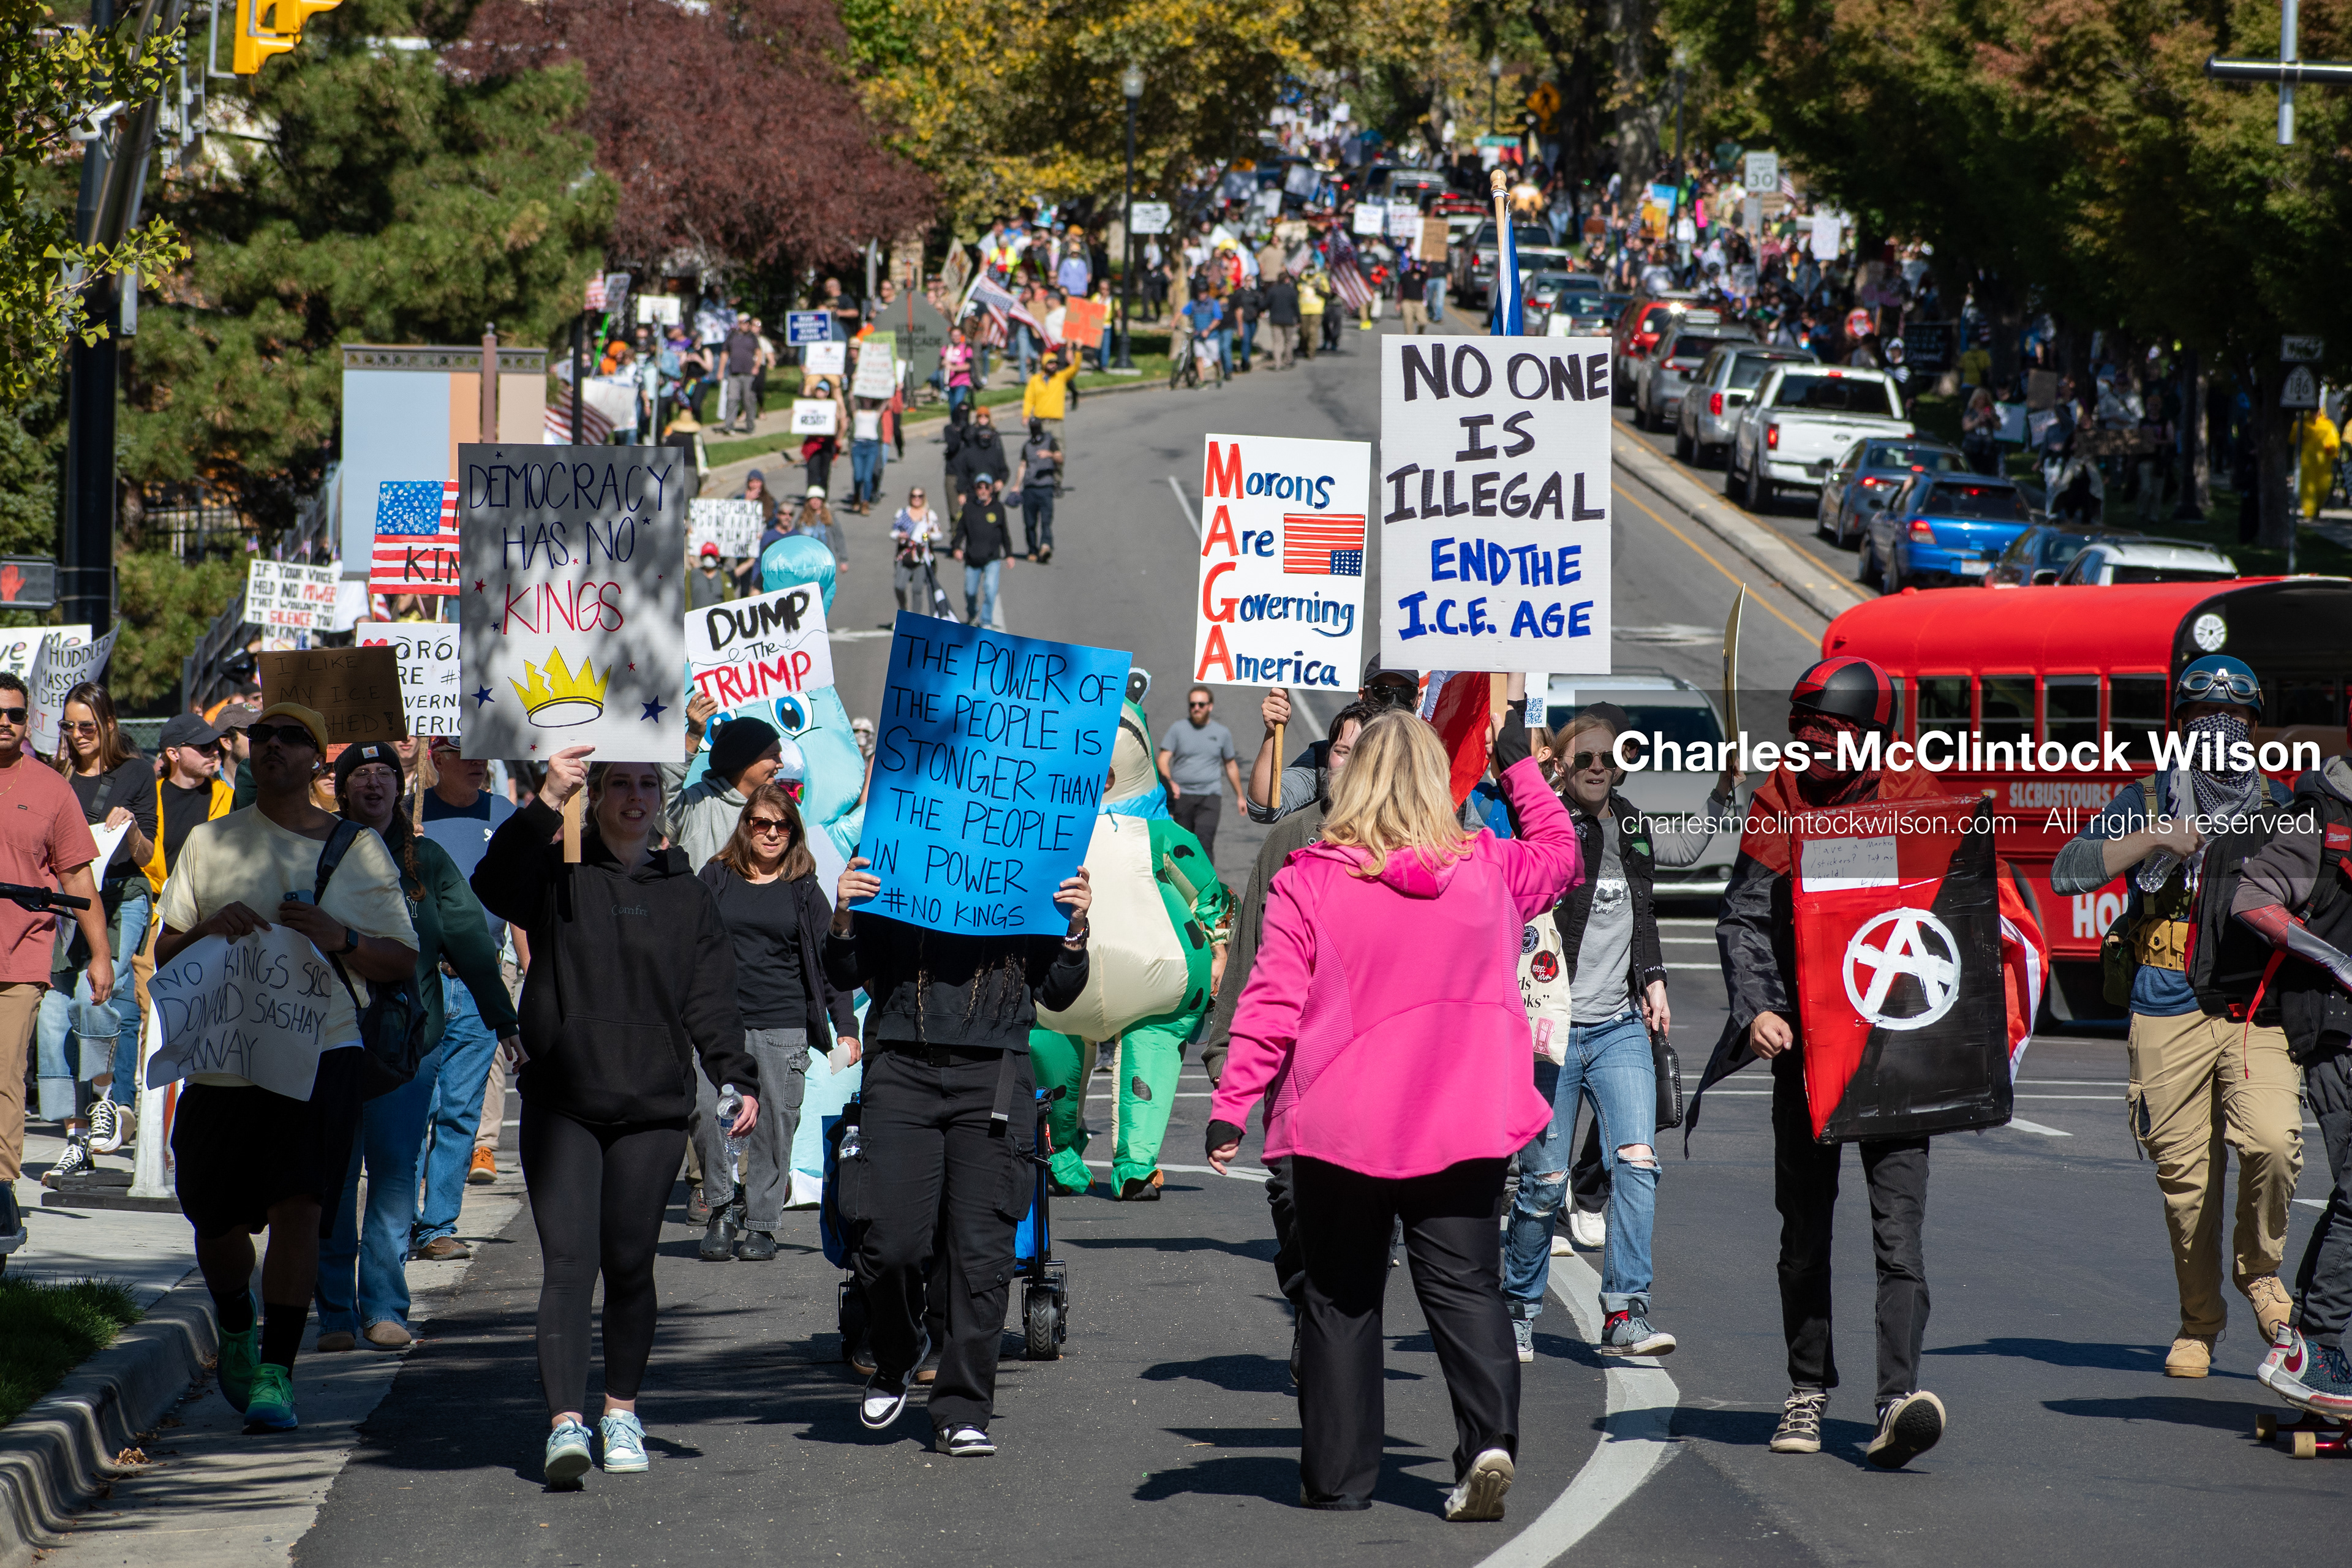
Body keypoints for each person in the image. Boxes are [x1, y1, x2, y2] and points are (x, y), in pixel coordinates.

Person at [1206, 708, 1576, 1518]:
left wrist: (1233, 1106)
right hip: (1463, 1120)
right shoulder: (1487, 867)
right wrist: (1518, 766)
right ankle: (1488, 1439)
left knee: (1341, 1300)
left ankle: (1338, 1477)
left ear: (1356, 779)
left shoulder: (1311, 878)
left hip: (1344, 1125)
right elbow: (1562, 855)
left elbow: (1270, 1003)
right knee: (1467, 1288)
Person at [471, 745, 758, 1485]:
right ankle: (565, 1422)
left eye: (646, 784)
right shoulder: (561, 871)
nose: (634, 796)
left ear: (662, 796)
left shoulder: (686, 891)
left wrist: (735, 1075)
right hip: (565, 1100)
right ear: (595, 795)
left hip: (652, 1108)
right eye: (618, 783)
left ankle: (621, 1411)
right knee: (570, 1262)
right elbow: (494, 883)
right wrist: (544, 797)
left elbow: (710, 997)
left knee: (630, 1264)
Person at [1691, 657, 1951, 1469]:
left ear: (1874, 738)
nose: (1811, 746)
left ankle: (1895, 1400)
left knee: (1899, 1241)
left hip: (1900, 1054)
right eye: (1802, 730)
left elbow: (1964, 912)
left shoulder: (1920, 803)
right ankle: (1807, 1389)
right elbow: (1740, 918)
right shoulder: (1781, 799)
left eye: (1829, 732)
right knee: (1803, 1236)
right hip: (1806, 1053)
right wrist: (1758, 1008)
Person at [154, 701, 417, 1433]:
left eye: (292, 736)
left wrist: (342, 935)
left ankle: (277, 1371)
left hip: (320, 1052)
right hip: (224, 1057)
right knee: (211, 1214)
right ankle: (237, 1319)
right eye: (263, 735)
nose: (273, 745)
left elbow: (401, 957)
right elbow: (165, 953)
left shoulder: (356, 848)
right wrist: (209, 926)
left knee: (299, 1207)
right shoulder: (210, 842)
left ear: (316, 762)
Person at [2051, 654, 2299, 1378]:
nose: (2220, 733)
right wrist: (2155, 838)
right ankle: (2200, 1323)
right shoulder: (2146, 796)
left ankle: (2259, 1271)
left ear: (2255, 729)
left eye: (2236, 721)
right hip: (2165, 998)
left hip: (2254, 1003)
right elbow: (2070, 869)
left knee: (2273, 1141)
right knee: (2186, 1179)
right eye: (2202, 721)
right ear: (2179, 727)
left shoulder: (2281, 805)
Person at [824, 851, 1093, 1458]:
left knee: (982, 1253)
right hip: (901, 1068)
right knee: (888, 1240)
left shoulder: (1031, 863)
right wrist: (843, 913)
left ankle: (964, 1409)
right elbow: (844, 971)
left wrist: (1074, 930)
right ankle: (898, 1353)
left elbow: (1057, 992)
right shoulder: (900, 852)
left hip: (993, 1078)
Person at [1500, 705, 1740, 1364]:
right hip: (1551, 1030)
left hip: (1618, 1027)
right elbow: (1504, 771)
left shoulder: (1633, 822)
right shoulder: (1544, 826)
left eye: (1608, 758)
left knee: (1637, 1162)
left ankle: (1626, 1313)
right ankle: (1518, 1309)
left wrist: (1723, 792)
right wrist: (1518, 721)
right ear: (1562, 766)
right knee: (1544, 1184)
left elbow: (1663, 883)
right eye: (1585, 759)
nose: (1598, 768)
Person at [312, 742, 518, 1351]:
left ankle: (383, 1306)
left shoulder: (424, 859)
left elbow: (471, 941)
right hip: (328, 1043)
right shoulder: (317, 856)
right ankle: (334, 1314)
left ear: (402, 786)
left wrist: (504, 1020)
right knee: (336, 1179)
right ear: (342, 790)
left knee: (395, 1177)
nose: (374, 784)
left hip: (408, 1049)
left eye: (385, 774)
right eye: (361, 776)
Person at [2235, 725, 2352, 1409]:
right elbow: (2251, 898)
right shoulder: (2323, 814)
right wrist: (2338, 962)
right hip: (2337, 1029)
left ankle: (2310, 1347)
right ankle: (2314, 1350)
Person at [692, 785, 858, 1261]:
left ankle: (762, 1224)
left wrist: (845, 1025)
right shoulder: (716, 877)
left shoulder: (804, 888)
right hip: (718, 1022)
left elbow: (831, 963)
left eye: (781, 825)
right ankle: (722, 1210)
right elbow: (688, 944)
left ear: (793, 832)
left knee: (774, 1126)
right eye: (760, 823)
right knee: (710, 1115)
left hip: (784, 1024)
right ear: (745, 826)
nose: (770, 833)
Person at [37, 682, 157, 1183]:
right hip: (66, 908)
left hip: (121, 899)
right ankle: (74, 1134)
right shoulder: (56, 776)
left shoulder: (135, 772)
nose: (78, 735)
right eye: (69, 726)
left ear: (109, 725)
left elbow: (148, 857)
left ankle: (107, 1098)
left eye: (87, 726)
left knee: (95, 995)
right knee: (50, 1017)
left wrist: (128, 829)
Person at [412, 735, 524, 1238]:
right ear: (436, 758)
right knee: (417, 1108)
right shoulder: (409, 811)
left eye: (484, 750)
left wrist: (526, 964)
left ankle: (438, 1227)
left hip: (482, 977)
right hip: (421, 979)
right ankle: (399, 1222)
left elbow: (521, 895)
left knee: (461, 1112)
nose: (479, 760)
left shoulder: (503, 813)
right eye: (464, 751)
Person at [1246, 660, 1423, 824]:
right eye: (1382, 691)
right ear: (1363, 695)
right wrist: (1273, 731)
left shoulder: (1432, 759)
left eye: (1405, 692)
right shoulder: (1329, 758)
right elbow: (1264, 809)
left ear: (1418, 698)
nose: (1393, 702)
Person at [666, 705, 788, 872]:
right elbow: (661, 803)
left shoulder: (783, 810)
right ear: (744, 761)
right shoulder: (698, 806)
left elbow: (799, 871)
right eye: (773, 756)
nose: (780, 765)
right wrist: (693, 736)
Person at [1156, 686, 1242, 864]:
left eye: (1201, 704)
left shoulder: (1222, 733)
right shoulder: (1177, 729)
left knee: (1204, 841)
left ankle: (1207, 890)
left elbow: (1230, 764)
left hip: (1209, 796)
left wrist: (1240, 796)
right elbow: (1163, 759)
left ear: (1210, 706)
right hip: (1182, 796)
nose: (1196, 708)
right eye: (1193, 704)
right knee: (1181, 846)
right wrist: (1170, 782)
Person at [950, 472, 1011, 630]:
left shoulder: (998, 508)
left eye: (986, 487)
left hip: (992, 558)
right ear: (975, 489)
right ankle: (972, 615)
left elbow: (1005, 532)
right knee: (970, 592)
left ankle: (986, 621)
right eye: (980, 487)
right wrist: (956, 548)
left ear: (992, 489)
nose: (983, 490)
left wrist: (1009, 555)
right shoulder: (968, 508)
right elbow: (960, 530)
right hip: (972, 558)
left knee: (990, 590)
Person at [891, 486, 947, 614]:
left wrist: (929, 536)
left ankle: (915, 618)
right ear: (910, 497)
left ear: (924, 498)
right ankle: (903, 609)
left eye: (920, 496)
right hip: (905, 555)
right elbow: (893, 532)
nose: (917, 499)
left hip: (922, 557)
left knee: (917, 589)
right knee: (899, 586)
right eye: (914, 496)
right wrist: (899, 536)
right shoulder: (902, 513)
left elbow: (939, 535)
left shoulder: (929, 515)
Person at [1014, 418, 1061, 562]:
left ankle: (1045, 547)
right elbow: (1022, 466)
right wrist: (1017, 485)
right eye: (1032, 427)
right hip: (1029, 489)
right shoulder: (1027, 446)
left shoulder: (1050, 442)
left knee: (1046, 521)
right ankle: (1032, 550)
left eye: (1036, 427)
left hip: (1046, 487)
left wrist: (1050, 455)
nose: (1034, 429)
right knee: (1030, 523)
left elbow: (1060, 458)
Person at [1021, 349, 1079, 450]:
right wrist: (1026, 415)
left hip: (1056, 423)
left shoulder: (1061, 377)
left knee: (1059, 452)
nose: (1054, 365)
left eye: (1056, 363)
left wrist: (1078, 352)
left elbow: (1075, 369)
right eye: (1051, 363)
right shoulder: (1035, 380)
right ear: (1044, 364)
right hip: (1040, 423)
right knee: (1040, 451)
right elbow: (1029, 399)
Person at [1261, 269, 1301, 371]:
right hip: (1289, 320)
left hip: (1276, 319)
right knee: (1288, 341)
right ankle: (1288, 360)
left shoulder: (1272, 290)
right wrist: (1299, 319)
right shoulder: (1291, 291)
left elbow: (1266, 304)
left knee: (1277, 342)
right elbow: (1296, 306)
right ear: (1287, 280)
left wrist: (1262, 310)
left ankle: (1277, 363)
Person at [689, 541, 731, 609]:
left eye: (712, 556)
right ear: (701, 557)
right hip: (696, 618)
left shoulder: (724, 577)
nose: (709, 559)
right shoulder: (693, 575)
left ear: (718, 558)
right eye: (706, 556)